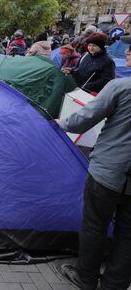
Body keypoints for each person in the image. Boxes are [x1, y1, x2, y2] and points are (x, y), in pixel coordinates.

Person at [55, 58, 131, 290]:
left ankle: (85, 277)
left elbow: (84, 119)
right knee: (128, 234)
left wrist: (62, 123)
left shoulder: (121, 87)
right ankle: (115, 284)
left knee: (94, 224)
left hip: (109, 169)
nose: (127, 53)